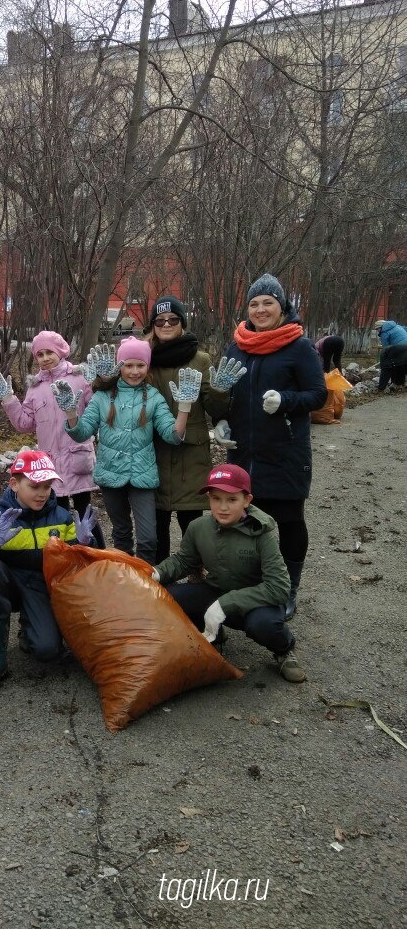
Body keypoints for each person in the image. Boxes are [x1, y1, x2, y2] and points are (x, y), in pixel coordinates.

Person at [213, 273, 327, 621]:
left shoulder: (300, 348)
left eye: (268, 303)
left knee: (290, 520)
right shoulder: (237, 347)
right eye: (254, 303)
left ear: (282, 307)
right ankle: (252, 584)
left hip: (285, 453)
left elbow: (319, 394)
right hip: (243, 454)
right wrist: (220, 421)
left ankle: (288, 588)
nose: (260, 309)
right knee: (245, 521)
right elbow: (225, 392)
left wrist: (287, 400)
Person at [0, 450, 92, 697]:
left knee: (47, 650)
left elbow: (78, 569)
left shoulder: (61, 518)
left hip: (40, 587)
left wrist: (82, 545)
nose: (42, 493)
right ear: (14, 484)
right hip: (8, 585)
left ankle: (29, 631)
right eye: (35, 485)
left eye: (47, 486)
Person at [52, 337, 201, 565]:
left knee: (149, 538)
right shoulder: (102, 397)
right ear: (119, 366)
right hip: (111, 476)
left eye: (140, 365)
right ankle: (126, 580)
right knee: (121, 535)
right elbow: (82, 433)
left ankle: (146, 578)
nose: (134, 371)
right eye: (128, 365)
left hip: (142, 476)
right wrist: (71, 413)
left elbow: (172, 436)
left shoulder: (153, 397)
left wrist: (184, 408)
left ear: (147, 367)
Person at [152, 464, 305, 683]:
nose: (223, 507)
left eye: (232, 500)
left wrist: (226, 604)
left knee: (263, 625)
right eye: (216, 499)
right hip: (215, 591)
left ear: (247, 500)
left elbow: (279, 588)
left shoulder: (262, 534)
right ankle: (212, 631)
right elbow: (184, 560)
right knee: (167, 597)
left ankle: (284, 650)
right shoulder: (198, 527)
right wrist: (156, 572)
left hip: (256, 603)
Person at [143, 296, 244, 563]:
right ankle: (159, 579)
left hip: (191, 456)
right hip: (154, 452)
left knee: (193, 525)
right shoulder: (144, 359)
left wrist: (220, 390)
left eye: (173, 319)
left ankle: (197, 576)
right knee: (156, 526)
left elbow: (215, 408)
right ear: (153, 326)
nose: (166, 324)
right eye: (160, 320)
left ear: (183, 323)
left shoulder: (200, 359)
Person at [0, 329, 105, 547]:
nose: (45, 358)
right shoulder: (35, 388)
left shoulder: (79, 378)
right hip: (49, 464)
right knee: (57, 515)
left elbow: (97, 412)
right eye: (39, 355)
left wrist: (96, 387)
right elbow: (24, 424)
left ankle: (98, 556)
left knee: (84, 512)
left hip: (76, 457)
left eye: (49, 352)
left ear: (60, 351)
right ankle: (64, 556)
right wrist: (8, 398)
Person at [374, 319, 407, 391]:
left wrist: (384, 359)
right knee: (401, 365)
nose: (377, 331)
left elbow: (385, 348)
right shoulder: (398, 326)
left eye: (377, 329)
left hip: (398, 348)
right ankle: (398, 384)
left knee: (388, 366)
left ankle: (381, 387)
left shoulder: (384, 332)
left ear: (381, 327)